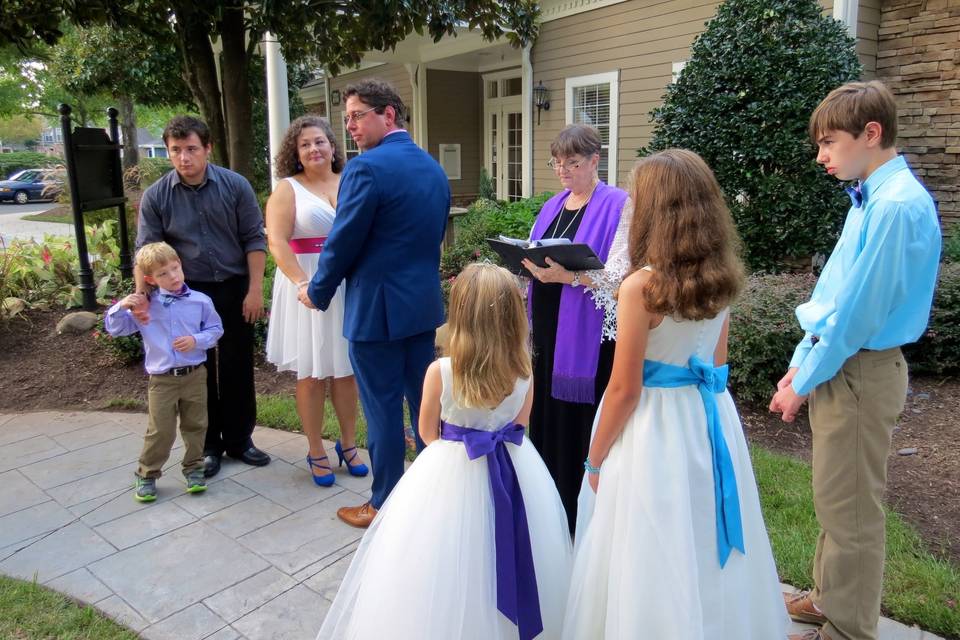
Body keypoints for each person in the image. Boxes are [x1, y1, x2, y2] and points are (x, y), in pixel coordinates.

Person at [562, 149, 788, 639]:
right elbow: (718, 365)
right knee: (702, 526)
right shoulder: (721, 278)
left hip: (652, 426)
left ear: (656, 211)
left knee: (650, 536)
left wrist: (595, 458)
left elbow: (624, 388)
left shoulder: (642, 286)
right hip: (708, 417)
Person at [317, 263, 572, 640]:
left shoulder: (440, 371)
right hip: (514, 471)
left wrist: (449, 461)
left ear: (460, 315)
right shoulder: (524, 372)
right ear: (513, 318)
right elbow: (520, 425)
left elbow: (425, 432)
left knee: (444, 558)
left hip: (450, 466)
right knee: (514, 551)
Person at [769, 81, 941, 640]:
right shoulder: (871, 195)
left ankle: (848, 629)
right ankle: (829, 597)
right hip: (845, 365)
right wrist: (801, 363)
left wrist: (801, 382)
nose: (821, 156)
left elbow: (857, 317)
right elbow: (834, 296)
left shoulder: (895, 206)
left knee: (855, 512)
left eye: (828, 142)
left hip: (862, 370)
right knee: (835, 495)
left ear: (871, 134)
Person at [304, 79, 450, 528]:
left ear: (388, 115)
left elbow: (344, 240)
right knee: (425, 406)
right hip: (421, 307)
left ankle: (384, 503)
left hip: (377, 314)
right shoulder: (432, 168)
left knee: (382, 409)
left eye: (356, 115)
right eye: (345, 118)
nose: (349, 125)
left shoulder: (366, 169)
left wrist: (317, 290)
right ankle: (435, 496)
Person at [137, 115, 271, 479]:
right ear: (168, 152)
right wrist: (142, 297)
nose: (184, 158)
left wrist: (255, 290)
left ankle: (241, 440)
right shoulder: (157, 196)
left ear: (207, 148)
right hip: (186, 295)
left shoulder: (235, 186)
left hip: (234, 288)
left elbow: (254, 240)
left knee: (237, 364)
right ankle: (208, 446)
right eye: (176, 150)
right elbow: (146, 251)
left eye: (192, 149)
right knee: (197, 371)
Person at [522, 123, 632, 531]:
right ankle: (547, 504)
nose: (564, 171)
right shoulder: (552, 206)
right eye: (557, 163)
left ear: (594, 161)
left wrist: (568, 278)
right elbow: (534, 253)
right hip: (548, 329)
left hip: (588, 339)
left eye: (573, 162)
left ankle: (578, 510)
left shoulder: (620, 205)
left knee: (576, 421)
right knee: (547, 416)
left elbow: (621, 275)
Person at [265, 115, 366, 486]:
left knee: (345, 369)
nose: (313, 149)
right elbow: (276, 242)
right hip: (306, 282)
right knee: (311, 373)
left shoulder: (350, 180)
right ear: (295, 151)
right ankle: (315, 449)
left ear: (333, 146)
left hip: (346, 283)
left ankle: (349, 443)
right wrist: (304, 284)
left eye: (320, 141)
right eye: (305, 144)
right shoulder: (287, 189)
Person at [105, 242, 224, 502]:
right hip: (162, 380)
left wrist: (196, 340)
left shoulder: (200, 301)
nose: (173, 276)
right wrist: (123, 306)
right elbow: (116, 329)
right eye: (163, 274)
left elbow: (216, 330)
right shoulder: (145, 307)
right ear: (149, 279)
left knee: (196, 425)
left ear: (180, 264)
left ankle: (194, 468)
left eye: (175, 268)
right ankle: (147, 474)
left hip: (194, 375)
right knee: (161, 430)